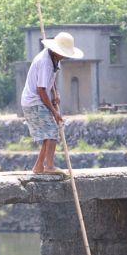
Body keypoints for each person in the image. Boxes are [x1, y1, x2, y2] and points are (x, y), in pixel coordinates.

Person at [21, 32, 83, 174]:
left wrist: (55, 92)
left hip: (38, 99)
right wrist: (54, 111)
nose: (65, 56)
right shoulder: (45, 62)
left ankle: (38, 167)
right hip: (34, 101)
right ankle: (49, 166)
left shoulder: (55, 59)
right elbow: (41, 89)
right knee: (51, 132)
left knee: (47, 134)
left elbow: (50, 80)